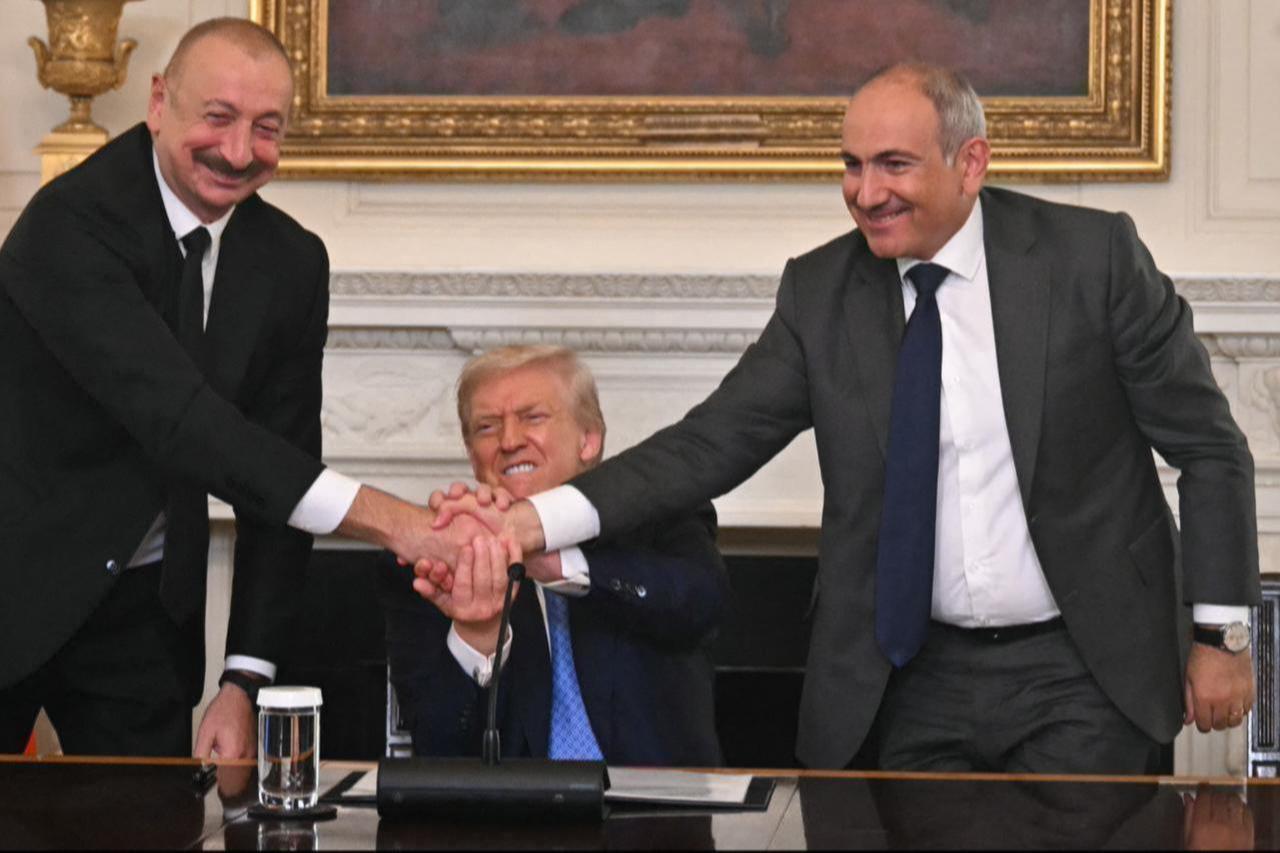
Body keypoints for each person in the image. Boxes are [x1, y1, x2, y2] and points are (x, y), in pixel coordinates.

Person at [429, 63, 1260, 773]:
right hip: (906, 676)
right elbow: (711, 443)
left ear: (971, 163)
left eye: (893, 165)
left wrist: (1220, 635)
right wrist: (534, 522)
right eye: (852, 165)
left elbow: (1210, 449)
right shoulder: (821, 292)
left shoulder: (1093, 260)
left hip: (1081, 664)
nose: (866, 193)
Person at [0, 18, 484, 759]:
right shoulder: (68, 225)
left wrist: (243, 678)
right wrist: (398, 522)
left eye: (267, 128)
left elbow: (278, 468)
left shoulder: (290, 262)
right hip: (14, 577)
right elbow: (185, 424)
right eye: (217, 117)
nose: (237, 152)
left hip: (144, 613)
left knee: (149, 825)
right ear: (159, 103)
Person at [381, 346, 726, 765]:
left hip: (658, 816)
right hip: (510, 822)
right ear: (473, 457)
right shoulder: (436, 561)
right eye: (487, 427)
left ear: (589, 439)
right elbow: (439, 748)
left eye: (533, 418)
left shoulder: (660, 517)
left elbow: (700, 604)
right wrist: (478, 635)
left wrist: (552, 563)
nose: (508, 441)